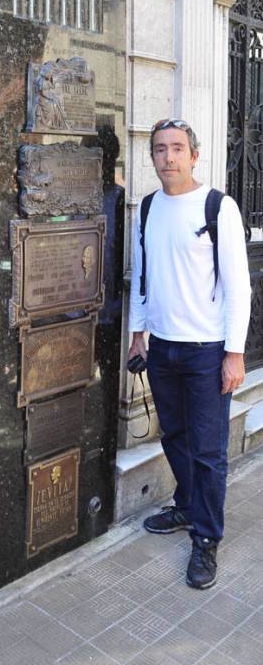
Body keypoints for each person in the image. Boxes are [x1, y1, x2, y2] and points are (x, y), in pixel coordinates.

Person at [128, 118, 251, 589]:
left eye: (178, 148)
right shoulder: (148, 208)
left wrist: (234, 354)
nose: (168, 157)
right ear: (153, 157)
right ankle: (186, 506)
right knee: (175, 436)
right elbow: (142, 277)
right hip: (162, 348)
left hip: (206, 351)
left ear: (194, 155)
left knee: (208, 451)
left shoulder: (219, 207)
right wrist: (138, 334)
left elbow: (238, 288)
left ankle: (206, 537)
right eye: (160, 149)